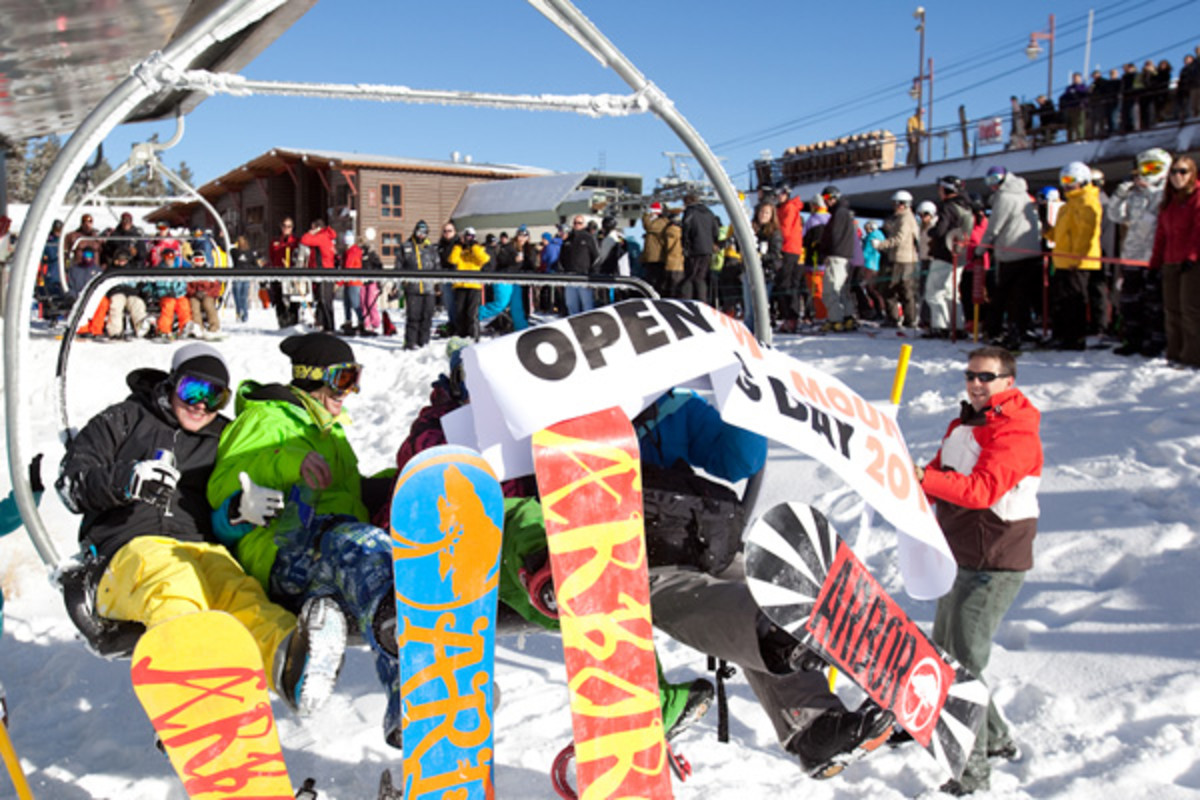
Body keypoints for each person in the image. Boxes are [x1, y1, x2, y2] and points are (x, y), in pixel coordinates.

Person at [55, 343, 346, 715]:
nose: (201, 405)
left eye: (216, 397)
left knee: (240, 592)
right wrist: (127, 481)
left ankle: (289, 658)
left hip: (200, 549)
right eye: (192, 390)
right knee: (175, 583)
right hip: (125, 552)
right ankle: (194, 683)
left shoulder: (221, 436)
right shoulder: (125, 420)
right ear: (171, 383)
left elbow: (220, 512)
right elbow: (71, 485)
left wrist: (239, 511)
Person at [206, 332, 402, 746]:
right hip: (281, 548)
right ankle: (417, 679)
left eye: (355, 379)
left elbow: (346, 497)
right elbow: (223, 484)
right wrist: (288, 461)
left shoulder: (329, 430)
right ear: (316, 377)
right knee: (366, 551)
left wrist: (398, 482)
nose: (351, 392)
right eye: (345, 380)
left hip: (325, 551)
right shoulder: (267, 419)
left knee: (360, 558)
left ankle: (399, 699)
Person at [914, 346, 1042, 796]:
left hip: (996, 561)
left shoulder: (1016, 430)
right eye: (970, 375)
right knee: (947, 655)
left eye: (986, 377)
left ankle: (972, 776)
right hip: (960, 553)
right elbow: (939, 472)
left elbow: (983, 489)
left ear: (1009, 381)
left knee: (962, 668)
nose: (975, 383)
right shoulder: (966, 421)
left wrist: (924, 480)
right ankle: (999, 739)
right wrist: (910, 483)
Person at [1110, 149, 1172, 357]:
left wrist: (1148, 191)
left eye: (1154, 168)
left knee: (1154, 303)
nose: (1148, 173)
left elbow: (1155, 219)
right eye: (1145, 168)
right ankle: (1133, 339)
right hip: (1132, 255)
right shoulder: (1134, 194)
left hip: (1154, 257)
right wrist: (1121, 194)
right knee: (1130, 301)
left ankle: (1155, 341)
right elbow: (1115, 215)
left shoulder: (1166, 193)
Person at [977, 166, 1042, 351]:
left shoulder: (1005, 197)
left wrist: (981, 250)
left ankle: (999, 330)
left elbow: (994, 227)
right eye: (989, 182)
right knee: (1021, 295)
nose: (992, 186)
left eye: (994, 181)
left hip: (1012, 253)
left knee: (1004, 295)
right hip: (1030, 252)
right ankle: (1022, 328)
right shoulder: (1022, 193)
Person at [1149, 156, 1200, 366]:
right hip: (1170, 260)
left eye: (1183, 172)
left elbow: (1198, 231)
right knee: (1171, 309)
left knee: (1190, 309)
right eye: (1174, 172)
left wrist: (1192, 256)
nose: (1178, 177)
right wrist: (1154, 263)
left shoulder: (1196, 198)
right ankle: (1174, 353)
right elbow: (1161, 236)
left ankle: (1193, 356)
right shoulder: (1168, 202)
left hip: (1192, 263)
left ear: (1192, 174)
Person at [1048, 161, 1103, 350]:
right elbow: (1062, 232)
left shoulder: (1086, 201)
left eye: (1071, 180)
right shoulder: (1068, 204)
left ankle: (1074, 338)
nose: (1066, 185)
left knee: (1074, 300)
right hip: (1063, 259)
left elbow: (1086, 234)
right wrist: (1048, 232)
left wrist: (1078, 258)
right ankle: (1062, 334)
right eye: (1063, 180)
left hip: (1077, 262)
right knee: (1061, 300)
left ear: (1083, 180)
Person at [926, 176, 973, 337]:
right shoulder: (966, 207)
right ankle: (957, 326)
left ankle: (939, 326)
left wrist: (931, 231)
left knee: (934, 292)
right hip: (959, 255)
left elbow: (940, 231)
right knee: (951, 292)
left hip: (945, 254)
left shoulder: (948, 207)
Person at [873, 190, 921, 329]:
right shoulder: (903, 218)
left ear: (902, 205)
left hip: (903, 260)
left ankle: (904, 319)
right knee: (897, 290)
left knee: (898, 290)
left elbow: (899, 239)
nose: (893, 206)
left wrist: (881, 245)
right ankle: (900, 319)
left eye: (895, 204)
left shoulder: (906, 219)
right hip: (901, 259)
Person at [816, 185, 857, 331]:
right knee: (841, 290)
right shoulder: (843, 212)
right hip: (844, 256)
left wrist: (825, 251)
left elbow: (834, 235)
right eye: (824, 199)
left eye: (827, 198)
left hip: (836, 256)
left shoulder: (839, 213)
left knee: (830, 289)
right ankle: (847, 317)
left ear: (835, 198)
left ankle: (835, 320)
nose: (826, 202)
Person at [397, 220, 439, 349]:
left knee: (427, 317)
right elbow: (399, 266)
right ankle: (410, 342)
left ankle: (424, 342)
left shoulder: (431, 249)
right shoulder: (406, 247)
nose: (421, 235)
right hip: (413, 288)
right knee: (413, 317)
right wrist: (402, 282)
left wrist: (438, 285)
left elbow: (437, 267)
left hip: (428, 289)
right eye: (419, 232)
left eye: (424, 232)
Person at [448, 227, 490, 341]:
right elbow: (452, 260)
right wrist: (458, 246)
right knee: (460, 314)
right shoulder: (459, 249)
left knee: (472, 314)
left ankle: (474, 338)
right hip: (460, 285)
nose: (468, 239)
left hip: (474, 286)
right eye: (466, 236)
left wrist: (474, 246)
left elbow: (484, 259)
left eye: (471, 237)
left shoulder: (478, 249)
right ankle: (461, 337)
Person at [775, 187, 807, 331]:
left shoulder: (788, 208)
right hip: (791, 248)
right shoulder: (786, 207)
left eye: (781, 193)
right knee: (788, 284)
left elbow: (785, 229)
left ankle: (791, 318)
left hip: (788, 248)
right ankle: (790, 317)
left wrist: (776, 240)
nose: (778, 196)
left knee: (786, 284)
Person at [680, 193, 720, 302]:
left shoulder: (690, 212)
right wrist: (713, 242)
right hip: (707, 249)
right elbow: (716, 230)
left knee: (690, 276)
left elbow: (686, 229)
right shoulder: (709, 212)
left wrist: (685, 246)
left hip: (694, 248)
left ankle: (686, 301)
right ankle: (702, 301)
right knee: (700, 277)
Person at [301, 219, 337, 332]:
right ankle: (322, 323)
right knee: (322, 299)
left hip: (324, 272)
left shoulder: (321, 237)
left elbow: (304, 240)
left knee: (324, 299)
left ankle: (328, 326)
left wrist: (310, 233)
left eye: (312, 228)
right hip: (324, 271)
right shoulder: (326, 236)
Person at [559, 214, 598, 315]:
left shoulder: (588, 238)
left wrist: (592, 276)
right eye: (575, 223)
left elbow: (596, 257)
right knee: (571, 304)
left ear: (584, 225)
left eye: (579, 223)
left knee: (587, 305)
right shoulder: (568, 240)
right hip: (570, 276)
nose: (577, 225)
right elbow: (562, 257)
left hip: (584, 276)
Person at [753, 202, 783, 328]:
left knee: (763, 302)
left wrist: (761, 257)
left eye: (767, 213)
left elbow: (775, 254)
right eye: (762, 212)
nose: (763, 215)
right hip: (751, 271)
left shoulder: (774, 232)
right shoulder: (752, 228)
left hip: (767, 272)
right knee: (752, 305)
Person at [268, 218, 300, 328]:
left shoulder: (296, 241)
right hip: (279, 272)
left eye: (289, 226)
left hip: (292, 273)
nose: (286, 228)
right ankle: (282, 322)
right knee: (278, 298)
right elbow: (272, 256)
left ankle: (293, 321)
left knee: (294, 299)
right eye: (284, 226)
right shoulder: (275, 242)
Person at [185, 253, 222, 339]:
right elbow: (187, 287)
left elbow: (216, 287)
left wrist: (208, 293)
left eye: (201, 260)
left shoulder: (209, 272)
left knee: (209, 305)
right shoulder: (190, 273)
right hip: (194, 295)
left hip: (207, 295)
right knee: (194, 307)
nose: (199, 263)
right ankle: (198, 328)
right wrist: (194, 293)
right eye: (197, 260)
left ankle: (214, 327)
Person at [229, 234, 259, 324]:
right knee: (238, 296)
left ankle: (244, 314)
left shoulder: (249, 253)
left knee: (243, 297)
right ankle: (239, 313)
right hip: (237, 276)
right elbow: (226, 249)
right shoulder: (234, 251)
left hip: (245, 276)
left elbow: (254, 264)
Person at [340, 230, 365, 335]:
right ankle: (348, 321)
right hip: (348, 282)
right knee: (347, 303)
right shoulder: (349, 251)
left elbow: (348, 267)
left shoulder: (352, 251)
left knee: (355, 303)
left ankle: (361, 322)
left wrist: (339, 281)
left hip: (353, 281)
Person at [641, 202, 668, 293]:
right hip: (652, 256)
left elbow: (648, 226)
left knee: (655, 278)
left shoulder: (661, 222)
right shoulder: (655, 222)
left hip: (657, 256)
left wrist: (645, 215)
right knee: (651, 277)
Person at [1059, 72, 1089, 142]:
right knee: (1071, 124)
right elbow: (1064, 97)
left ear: (1080, 78)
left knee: (1080, 123)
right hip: (1071, 108)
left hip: (1080, 107)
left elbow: (1086, 95)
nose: (1075, 79)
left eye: (1076, 78)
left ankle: (1080, 138)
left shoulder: (1083, 87)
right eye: (1074, 78)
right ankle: (1071, 140)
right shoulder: (1069, 88)